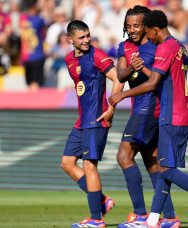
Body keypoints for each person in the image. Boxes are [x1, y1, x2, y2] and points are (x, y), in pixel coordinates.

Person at [108, 10, 188, 228]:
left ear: (153, 29)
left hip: (171, 112)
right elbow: (160, 76)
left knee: (162, 168)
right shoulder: (179, 46)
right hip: (173, 111)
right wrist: (139, 67)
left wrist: (121, 94)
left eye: (144, 29)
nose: (142, 34)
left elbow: (153, 83)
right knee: (159, 166)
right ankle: (159, 219)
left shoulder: (163, 47)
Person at [116, 5, 179, 228]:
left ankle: (141, 215)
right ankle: (170, 218)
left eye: (137, 25)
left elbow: (156, 81)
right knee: (153, 163)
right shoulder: (124, 46)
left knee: (124, 156)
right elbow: (120, 74)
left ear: (146, 26)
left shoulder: (156, 46)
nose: (132, 29)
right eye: (129, 25)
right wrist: (131, 66)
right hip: (139, 109)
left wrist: (140, 69)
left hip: (151, 109)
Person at [62, 20, 123, 227]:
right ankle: (102, 200)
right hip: (81, 122)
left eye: (88, 35)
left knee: (89, 166)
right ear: (70, 40)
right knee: (67, 163)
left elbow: (118, 79)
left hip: (96, 120)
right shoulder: (69, 59)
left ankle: (96, 219)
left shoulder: (97, 55)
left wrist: (111, 108)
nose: (87, 40)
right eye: (82, 37)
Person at [19, 0, 46, 91]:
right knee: (35, 86)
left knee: (30, 85)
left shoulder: (22, 19)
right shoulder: (39, 20)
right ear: (35, 6)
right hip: (37, 56)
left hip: (26, 57)